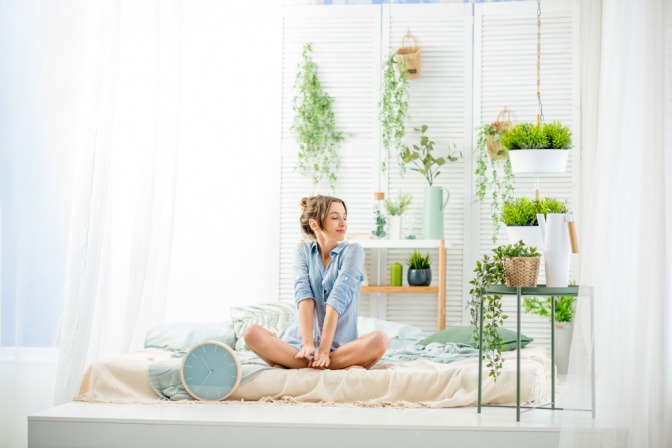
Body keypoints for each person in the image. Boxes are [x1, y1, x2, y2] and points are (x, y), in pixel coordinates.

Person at [244, 195, 389, 369]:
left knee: (379, 340)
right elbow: (304, 296)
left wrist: (325, 351)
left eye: (344, 217)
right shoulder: (302, 250)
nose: (343, 223)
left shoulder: (353, 251)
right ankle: (315, 364)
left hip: (339, 349)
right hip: (298, 349)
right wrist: (307, 344)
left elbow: (336, 300)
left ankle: (307, 365)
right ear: (315, 225)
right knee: (251, 333)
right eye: (335, 218)